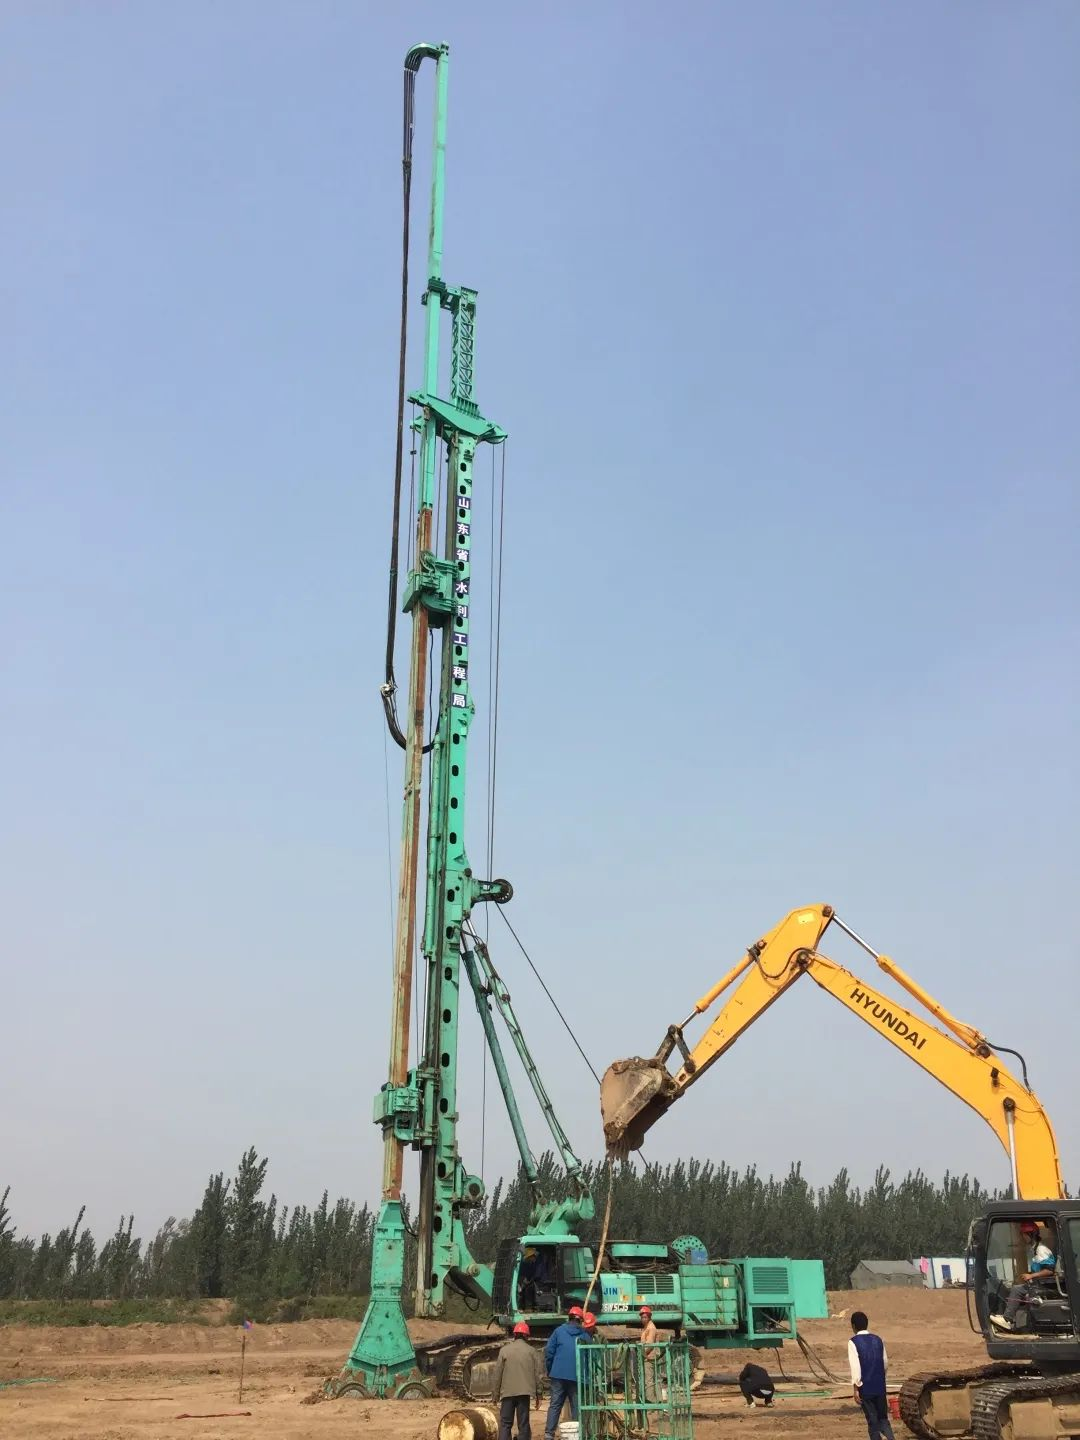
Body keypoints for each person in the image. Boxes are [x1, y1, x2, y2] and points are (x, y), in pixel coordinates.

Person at [991, 1221, 1057, 1330]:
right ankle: (1009, 1317)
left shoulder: (1041, 1249)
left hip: (1044, 1287)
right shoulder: (1035, 1249)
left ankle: (1007, 1319)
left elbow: (1050, 1270)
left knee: (1017, 1290)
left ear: (1032, 1235)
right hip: (1038, 1284)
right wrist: (1030, 1275)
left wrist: (1031, 1276)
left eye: (1024, 1234)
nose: (1023, 1237)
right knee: (1015, 1288)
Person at [849, 1310, 895, 1440]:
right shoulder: (878, 1340)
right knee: (883, 1419)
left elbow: (855, 1367)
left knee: (872, 1422)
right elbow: (885, 1362)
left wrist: (856, 1389)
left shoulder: (853, 1342)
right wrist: (881, 1378)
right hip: (880, 1386)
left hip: (866, 1388)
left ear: (853, 1326)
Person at [493, 1321, 543, 1440]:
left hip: (507, 1393)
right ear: (526, 1335)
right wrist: (539, 1395)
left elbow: (497, 1375)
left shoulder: (504, 1350)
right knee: (523, 1424)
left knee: (505, 1424)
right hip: (524, 1394)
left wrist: (495, 1395)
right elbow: (538, 1375)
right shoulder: (532, 1351)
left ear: (514, 1334)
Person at [544, 1305, 586, 1440]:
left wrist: (550, 1370)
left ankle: (549, 1434)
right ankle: (577, 1434)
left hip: (558, 1375)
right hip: (576, 1376)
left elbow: (549, 1352)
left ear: (569, 1318)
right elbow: (590, 1356)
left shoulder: (558, 1331)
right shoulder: (584, 1335)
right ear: (580, 1320)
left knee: (555, 1405)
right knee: (576, 1407)